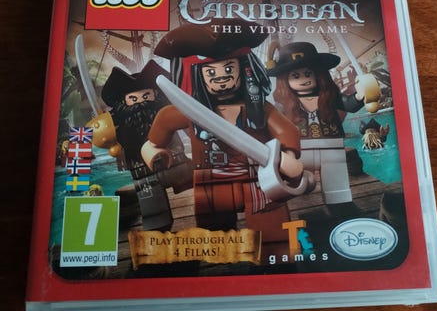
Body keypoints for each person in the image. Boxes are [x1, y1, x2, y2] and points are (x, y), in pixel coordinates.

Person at [141, 20, 304, 243]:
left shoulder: (259, 108)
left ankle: (275, 254)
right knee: (216, 239)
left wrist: (290, 155)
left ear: (244, 69)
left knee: (272, 234)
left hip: (259, 179)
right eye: (210, 72)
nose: (221, 77)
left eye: (229, 68)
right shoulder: (188, 111)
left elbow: (286, 130)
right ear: (196, 76)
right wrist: (153, 152)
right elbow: (154, 140)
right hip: (211, 181)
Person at [268, 41, 379, 204]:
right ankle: (300, 202)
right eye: (295, 76)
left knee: (336, 183)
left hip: (332, 146)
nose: (304, 79)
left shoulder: (329, 97)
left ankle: (338, 201)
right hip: (299, 149)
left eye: (308, 73)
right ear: (285, 80)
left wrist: (359, 95)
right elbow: (275, 126)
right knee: (297, 183)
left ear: (318, 74)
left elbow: (349, 105)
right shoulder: (283, 105)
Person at [89, 60, 192, 230]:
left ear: (155, 94)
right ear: (124, 101)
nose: (140, 102)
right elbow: (102, 134)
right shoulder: (120, 120)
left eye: (146, 96)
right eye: (133, 99)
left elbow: (187, 123)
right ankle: (157, 225)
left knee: (199, 178)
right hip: (141, 169)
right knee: (151, 202)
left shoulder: (167, 111)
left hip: (176, 161)